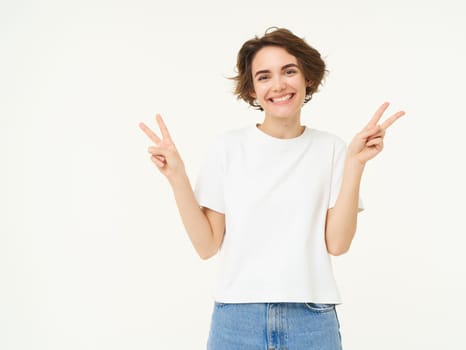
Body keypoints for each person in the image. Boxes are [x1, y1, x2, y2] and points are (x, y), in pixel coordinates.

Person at [139, 27, 404, 350]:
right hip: (236, 319)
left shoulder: (333, 149)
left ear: (307, 77)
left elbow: (337, 243)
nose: (278, 84)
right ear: (252, 90)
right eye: (264, 76)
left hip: (311, 319)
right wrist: (177, 177)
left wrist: (356, 164)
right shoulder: (228, 148)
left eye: (289, 71)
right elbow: (207, 245)